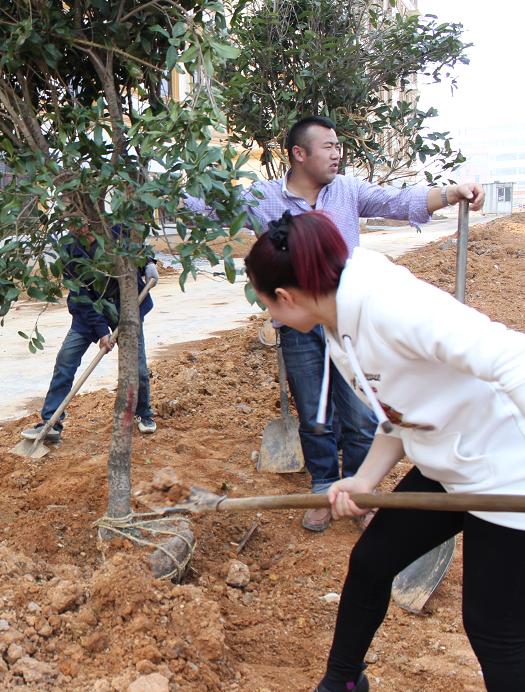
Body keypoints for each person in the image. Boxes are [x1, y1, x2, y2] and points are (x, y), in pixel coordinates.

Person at [244, 210, 525, 692]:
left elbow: (513, 359)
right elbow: (397, 410)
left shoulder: (392, 306)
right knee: (371, 563)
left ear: (286, 297)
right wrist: (364, 479)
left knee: (493, 628)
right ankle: (343, 682)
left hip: (505, 471)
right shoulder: (337, 325)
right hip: (448, 465)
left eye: (266, 303)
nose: (270, 315)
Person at [186, 115, 485, 532]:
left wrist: (452, 192)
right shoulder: (264, 197)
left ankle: (361, 494)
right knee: (313, 412)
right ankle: (324, 486)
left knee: (361, 414)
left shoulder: (348, 192)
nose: (337, 153)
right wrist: (159, 190)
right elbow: (209, 206)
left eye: (338, 145)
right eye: (328, 146)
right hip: (300, 326)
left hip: (349, 320)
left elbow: (398, 202)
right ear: (299, 153)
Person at [20, 227, 158, 442]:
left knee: (137, 366)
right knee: (66, 360)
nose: (75, 225)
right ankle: (51, 423)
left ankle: (143, 413)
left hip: (127, 306)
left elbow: (138, 245)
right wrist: (102, 332)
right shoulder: (69, 247)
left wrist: (149, 263)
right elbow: (81, 295)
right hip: (89, 311)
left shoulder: (115, 230)